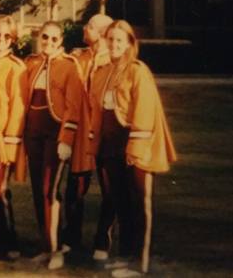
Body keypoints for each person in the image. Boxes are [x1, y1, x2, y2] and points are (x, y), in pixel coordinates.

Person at [86, 20, 177, 277]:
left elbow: (144, 111)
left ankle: (141, 263)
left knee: (139, 204)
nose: (114, 44)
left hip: (136, 146)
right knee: (120, 202)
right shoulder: (102, 71)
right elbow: (96, 113)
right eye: (110, 39)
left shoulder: (138, 71)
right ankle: (126, 256)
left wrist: (134, 148)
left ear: (128, 44)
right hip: (110, 147)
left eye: (119, 40)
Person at [21, 21, 84, 270]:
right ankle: (45, 245)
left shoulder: (69, 67)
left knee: (50, 190)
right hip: (33, 134)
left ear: (61, 41)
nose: (48, 42)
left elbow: (73, 106)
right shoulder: (32, 63)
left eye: (54, 39)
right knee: (38, 189)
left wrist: (66, 139)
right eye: (44, 37)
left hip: (55, 134)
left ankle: (57, 248)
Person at [61, 13, 115, 258]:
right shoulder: (78, 58)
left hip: (104, 134)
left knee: (109, 188)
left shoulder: (114, 62)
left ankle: (102, 241)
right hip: (82, 134)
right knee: (75, 188)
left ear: (102, 33)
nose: (85, 28)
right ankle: (70, 238)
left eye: (90, 26)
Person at [0, 15, 26, 261]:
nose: (0, 39)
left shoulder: (15, 67)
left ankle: (9, 242)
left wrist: (10, 144)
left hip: (2, 139)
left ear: (13, 39)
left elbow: (18, 108)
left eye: (6, 35)